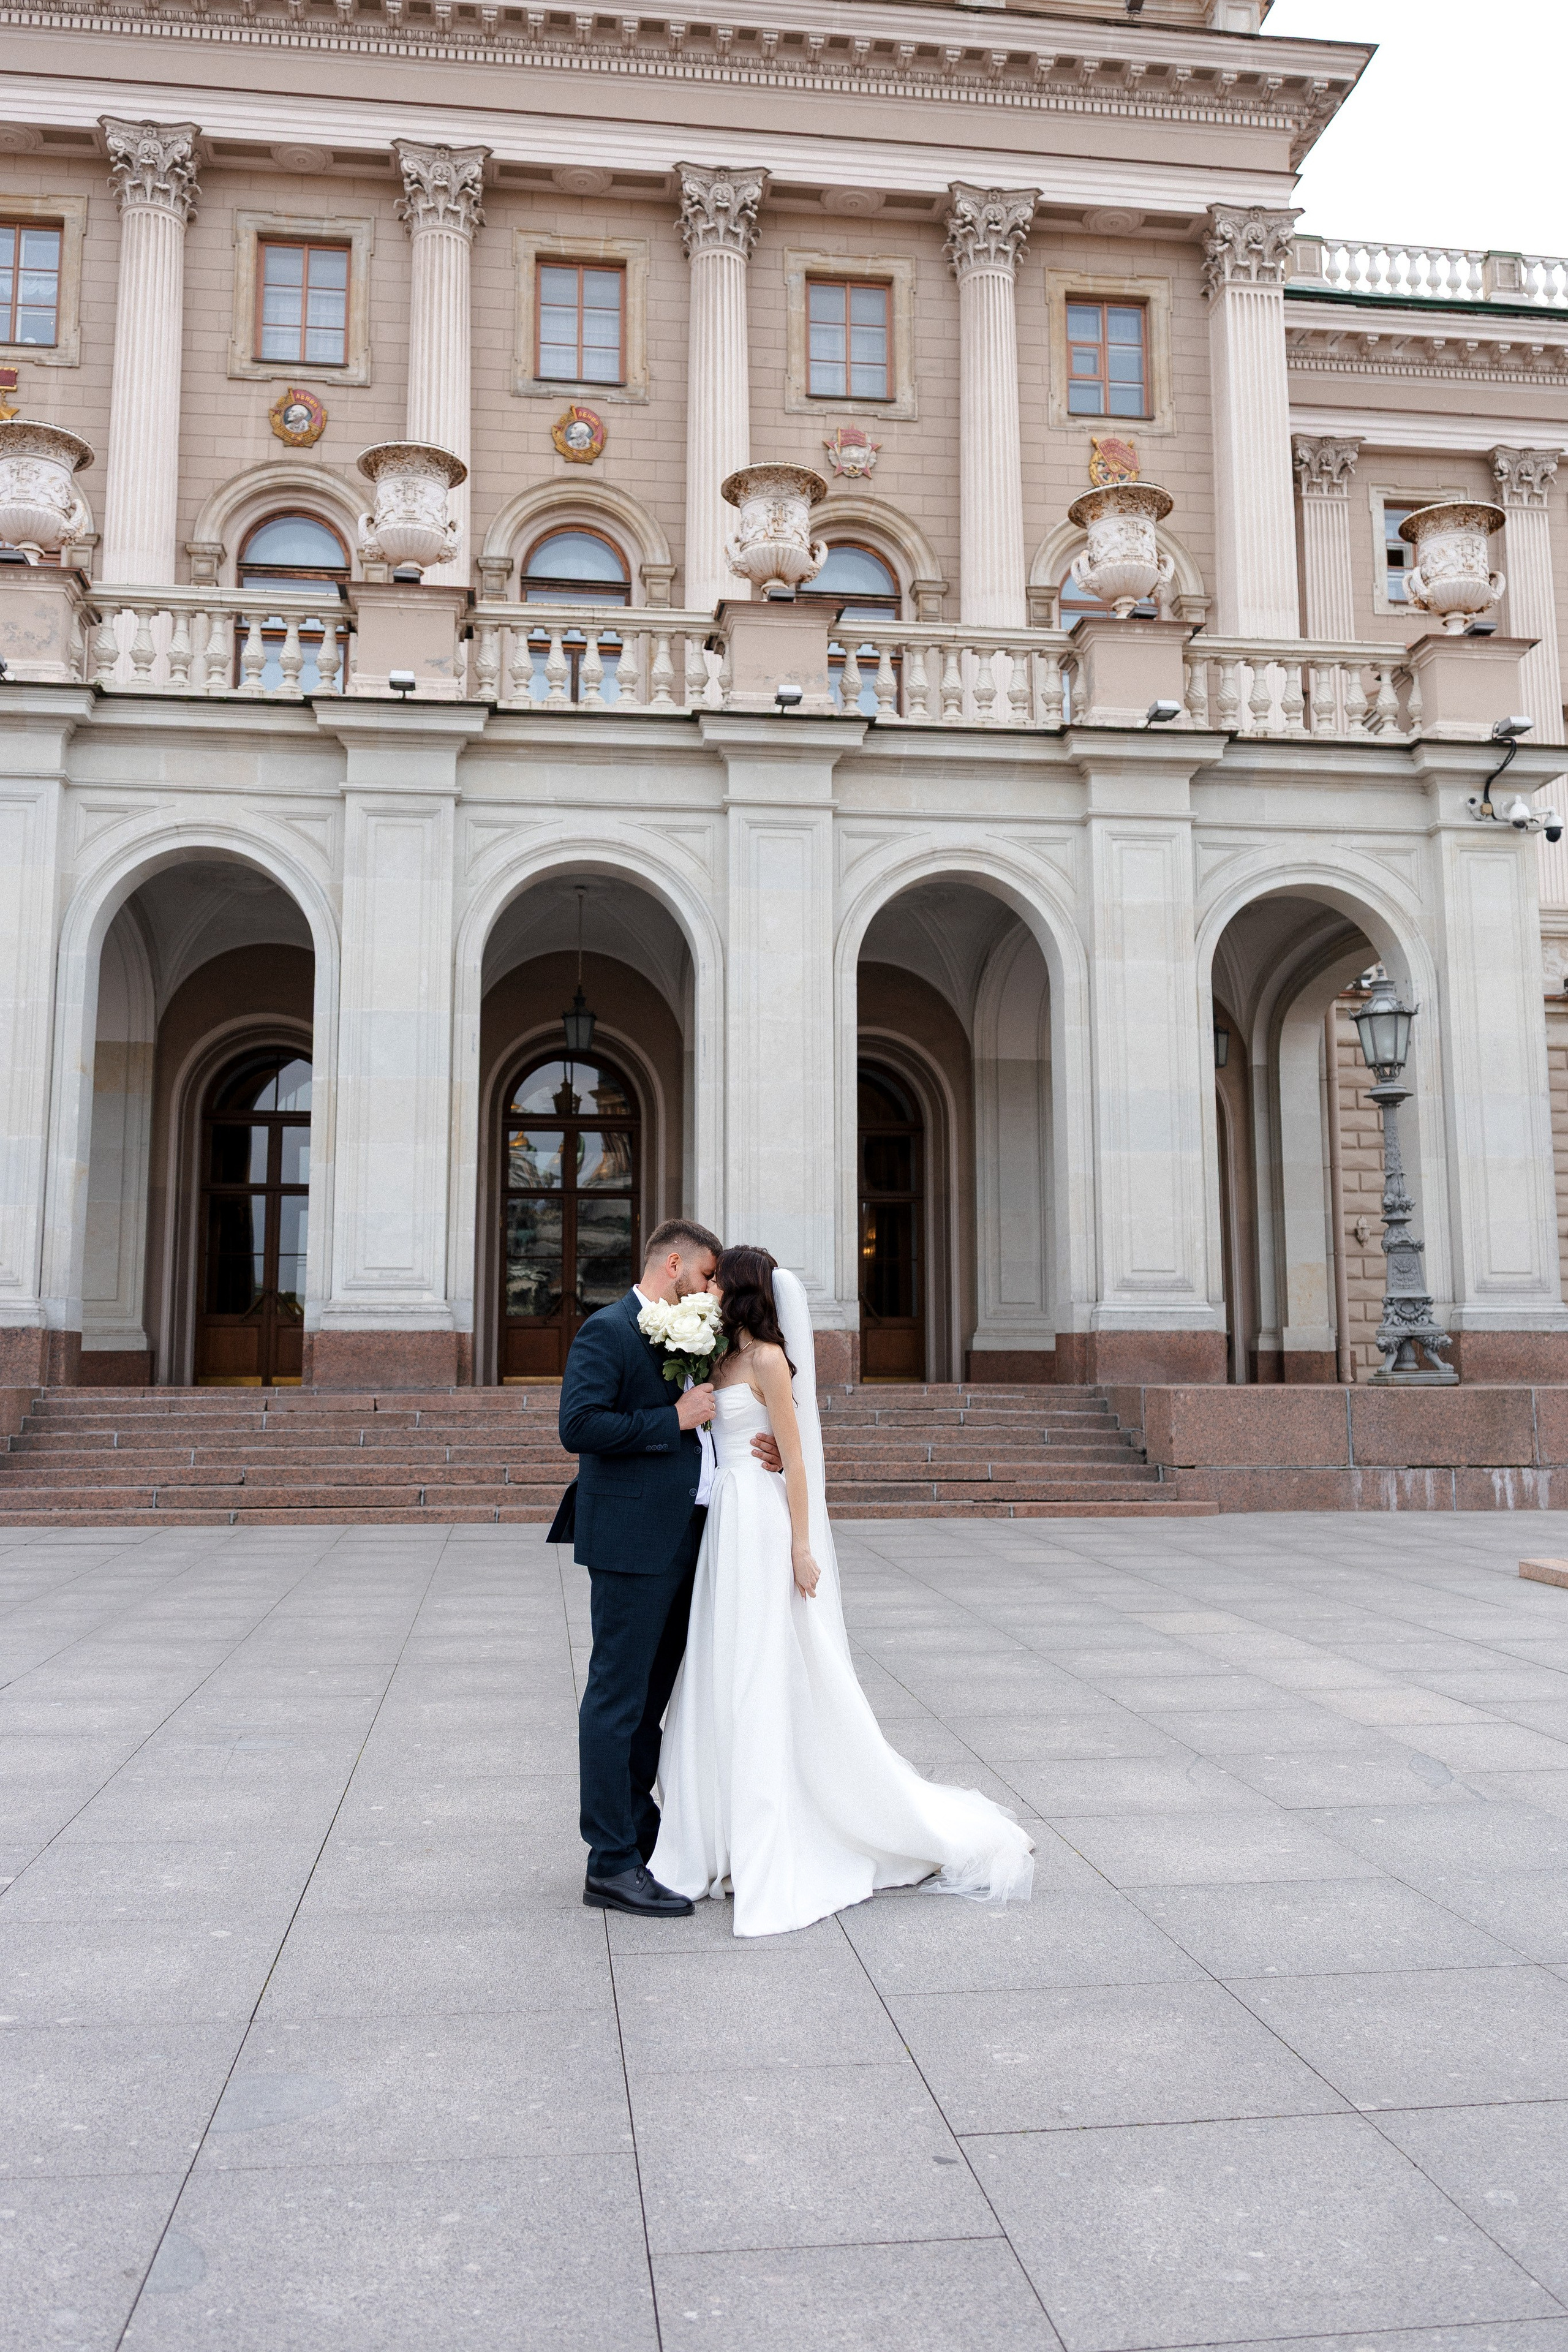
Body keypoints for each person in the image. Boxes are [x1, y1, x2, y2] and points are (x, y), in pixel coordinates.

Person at [651, 1245, 1035, 1937]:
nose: (708, 1290)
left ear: (740, 1289)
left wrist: (801, 1547)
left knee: (762, 1663)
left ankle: (784, 1827)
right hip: (724, 1520)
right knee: (719, 1661)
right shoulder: (717, 1358)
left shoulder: (769, 1360)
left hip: (761, 1523)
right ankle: (717, 1831)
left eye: (718, 1282)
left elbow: (798, 1461)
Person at [555, 1218, 781, 1920]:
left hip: (691, 1538)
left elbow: (724, 1415)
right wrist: (672, 1421)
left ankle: (640, 1833)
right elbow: (578, 1426)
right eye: (709, 1274)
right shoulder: (608, 1330)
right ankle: (609, 1863)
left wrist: (763, 1444)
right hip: (630, 1542)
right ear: (674, 1264)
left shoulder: (695, 1334)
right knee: (617, 1698)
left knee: (652, 1703)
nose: (715, 1289)